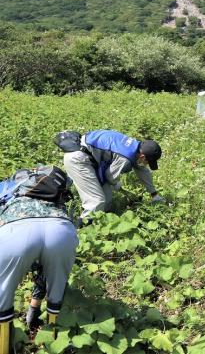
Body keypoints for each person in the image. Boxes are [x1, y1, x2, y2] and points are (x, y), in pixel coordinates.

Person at [0, 168, 78, 352]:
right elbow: (44, 268)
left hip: (16, 227)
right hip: (61, 228)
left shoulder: (7, 188)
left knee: (2, 294)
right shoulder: (55, 193)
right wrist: (34, 309)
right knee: (56, 291)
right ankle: (51, 345)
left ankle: (4, 348)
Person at [62, 130, 163, 219]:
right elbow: (110, 177)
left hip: (85, 153)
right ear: (142, 156)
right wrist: (120, 188)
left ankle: (100, 225)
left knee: (106, 203)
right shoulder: (125, 157)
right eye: (148, 162)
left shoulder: (135, 145)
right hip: (78, 159)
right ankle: (81, 231)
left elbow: (142, 170)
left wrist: (154, 194)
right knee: (96, 202)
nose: (146, 164)